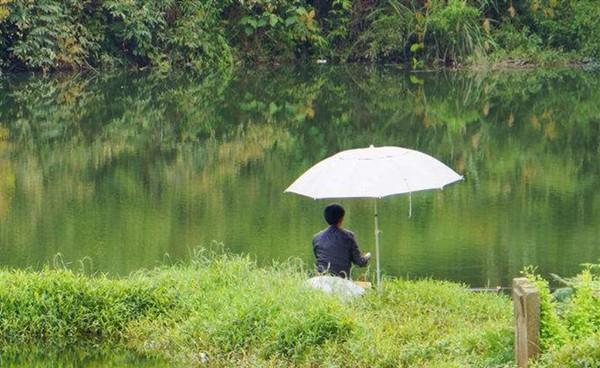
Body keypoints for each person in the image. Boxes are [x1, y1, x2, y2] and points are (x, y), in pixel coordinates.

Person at [312, 203, 371, 278]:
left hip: (320, 279)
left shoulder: (316, 237)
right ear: (341, 219)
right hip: (341, 281)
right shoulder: (349, 236)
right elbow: (360, 262)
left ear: (326, 218)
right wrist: (368, 255)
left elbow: (319, 257)